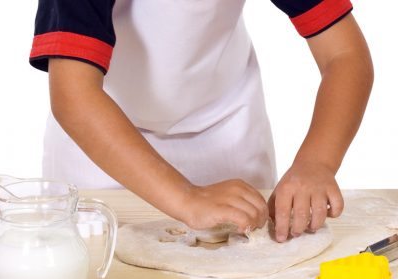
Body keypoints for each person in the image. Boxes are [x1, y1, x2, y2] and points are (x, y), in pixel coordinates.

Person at [29, 0, 373, 242]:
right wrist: (185, 197)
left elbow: (344, 56)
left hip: (224, 131)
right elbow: (74, 96)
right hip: (100, 140)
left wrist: (317, 162)